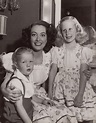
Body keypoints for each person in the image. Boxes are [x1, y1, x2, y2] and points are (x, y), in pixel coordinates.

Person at [0, 20, 77, 123]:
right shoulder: (19, 56)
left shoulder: (49, 57)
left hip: (41, 97)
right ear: (29, 37)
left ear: (47, 37)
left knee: (65, 115)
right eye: (34, 35)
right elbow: (5, 83)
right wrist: (5, 92)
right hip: (25, 99)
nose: (38, 39)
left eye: (42, 35)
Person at [48, 16, 96, 123]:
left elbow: (83, 73)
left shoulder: (83, 51)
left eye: (70, 29)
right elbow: (52, 71)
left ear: (77, 30)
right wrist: (50, 91)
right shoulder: (56, 51)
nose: (67, 33)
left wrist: (80, 95)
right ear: (60, 33)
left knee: (84, 117)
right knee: (66, 118)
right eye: (64, 30)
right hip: (61, 90)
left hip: (79, 88)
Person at [2, 47, 34, 123]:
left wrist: (42, 101)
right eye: (24, 62)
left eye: (31, 61)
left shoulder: (25, 78)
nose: (28, 65)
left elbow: (29, 96)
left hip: (23, 117)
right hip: (15, 120)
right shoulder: (16, 82)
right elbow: (19, 106)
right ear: (16, 64)